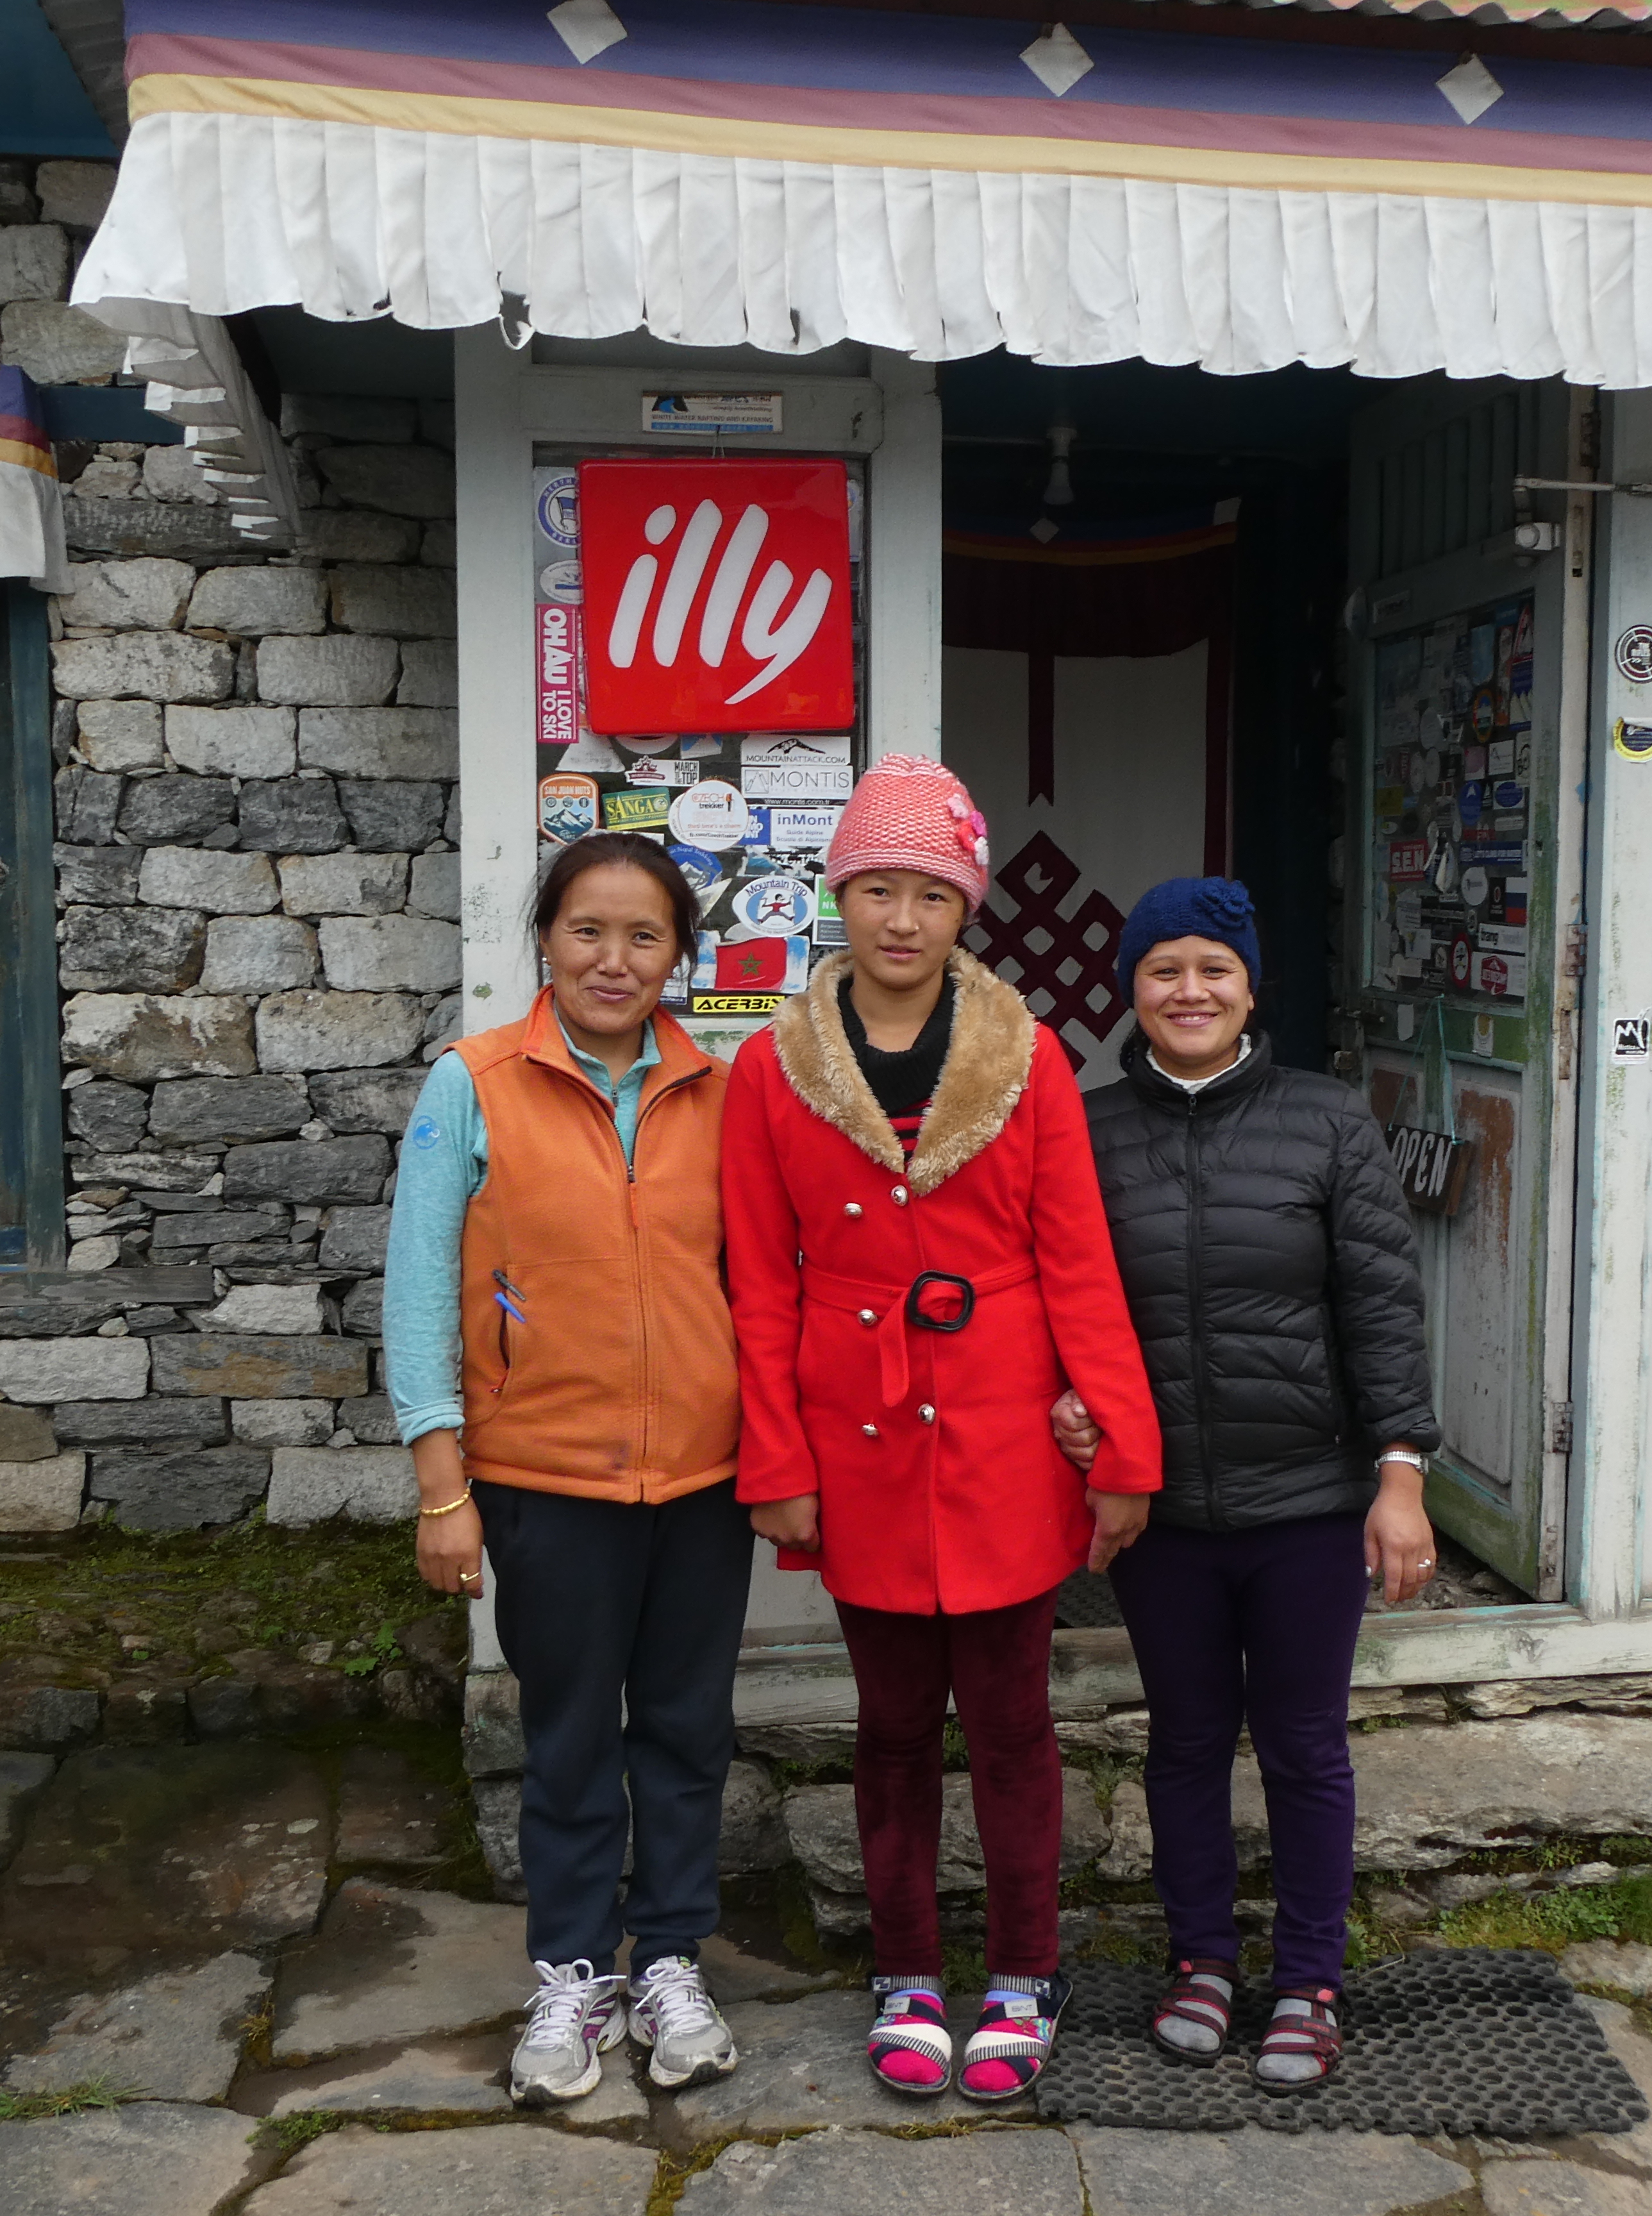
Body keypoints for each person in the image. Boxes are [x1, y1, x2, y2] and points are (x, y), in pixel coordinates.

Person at [719, 753, 1164, 2105]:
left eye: (930, 894)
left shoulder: (1027, 1059)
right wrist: (775, 1461)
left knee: (1015, 1725)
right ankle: (906, 1974)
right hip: (853, 1438)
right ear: (838, 897)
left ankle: (1025, 1971)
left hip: (1003, 1436)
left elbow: (1079, 1260)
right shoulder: (771, 1069)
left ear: (967, 907)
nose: (902, 920)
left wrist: (1124, 1449)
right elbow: (759, 1280)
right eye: (877, 890)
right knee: (895, 1726)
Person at [1060, 877, 1442, 2092]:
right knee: (1183, 1741)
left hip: (1308, 1504)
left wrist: (1400, 1476)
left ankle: (1312, 1980)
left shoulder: (1327, 1120)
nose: (1190, 992)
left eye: (1213, 970)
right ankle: (1203, 1962)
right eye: (1164, 970)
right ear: (1131, 989)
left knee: (1303, 1744)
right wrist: (1060, 1403)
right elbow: (1052, 1299)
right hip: (1159, 1511)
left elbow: (1382, 1305)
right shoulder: (1085, 1129)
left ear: (1250, 986)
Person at [387, 832, 748, 2108]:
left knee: (689, 1732)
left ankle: (672, 1963)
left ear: (679, 956)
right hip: (543, 1482)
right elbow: (419, 1293)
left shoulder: (723, 1093)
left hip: (703, 1484)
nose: (613, 959)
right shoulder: (473, 1083)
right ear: (545, 938)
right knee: (569, 1737)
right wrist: (444, 1486)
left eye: (644, 936)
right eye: (587, 929)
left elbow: (760, 1284)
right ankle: (574, 1973)